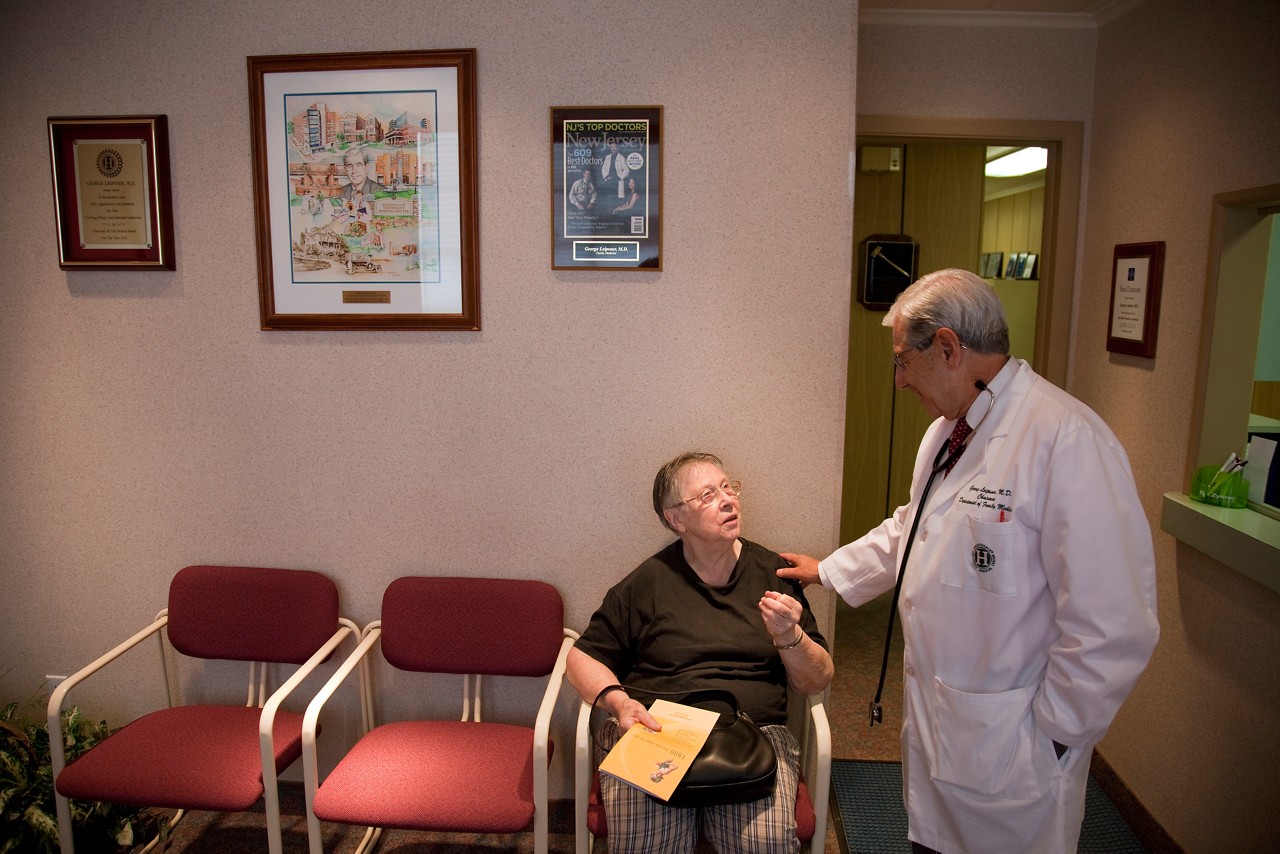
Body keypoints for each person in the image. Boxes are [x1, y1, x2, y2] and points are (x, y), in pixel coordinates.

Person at [778, 269, 1159, 854]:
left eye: (903, 361)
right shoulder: (947, 434)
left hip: (1015, 755)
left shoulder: (1067, 441)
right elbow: (917, 527)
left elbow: (1115, 626)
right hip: (945, 736)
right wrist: (829, 570)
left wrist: (1052, 737)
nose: (900, 381)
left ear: (950, 348)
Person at [568, 452, 834, 854]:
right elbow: (582, 657)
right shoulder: (648, 582)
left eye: (729, 488)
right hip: (658, 733)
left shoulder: (774, 574)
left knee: (763, 845)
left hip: (752, 734)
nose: (728, 499)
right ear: (676, 518)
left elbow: (817, 678)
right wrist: (620, 704)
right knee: (647, 845)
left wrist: (789, 636)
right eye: (708, 494)